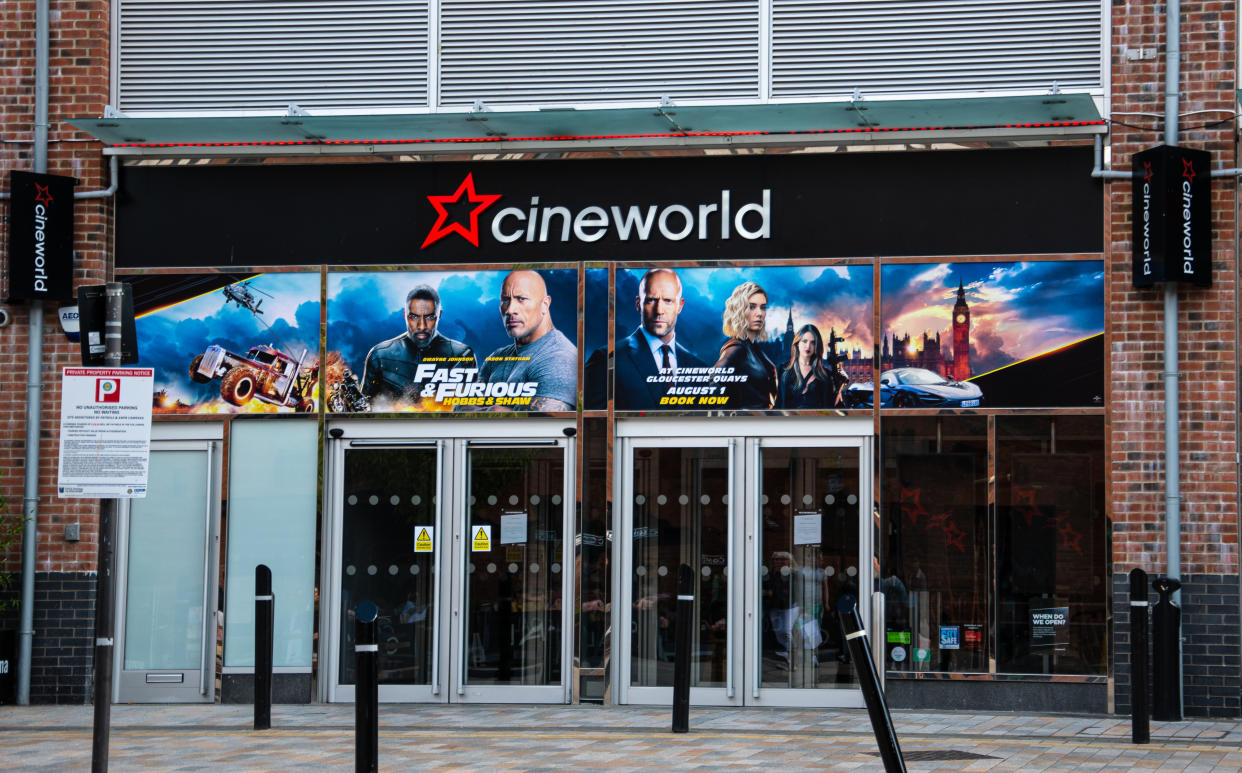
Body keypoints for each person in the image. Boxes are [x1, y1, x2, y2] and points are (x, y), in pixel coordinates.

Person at [361, 285, 476, 407]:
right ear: (405, 314)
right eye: (414, 317)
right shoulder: (380, 355)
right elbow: (363, 410)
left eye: (430, 317)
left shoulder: (461, 355)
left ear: (439, 315)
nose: (422, 326)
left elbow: (467, 411)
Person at [479, 269, 578, 411]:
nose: (510, 310)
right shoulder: (496, 357)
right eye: (505, 300)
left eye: (521, 299)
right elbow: (460, 408)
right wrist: (497, 411)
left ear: (545, 304)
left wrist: (489, 410)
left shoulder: (560, 358)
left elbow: (544, 426)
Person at [612, 268, 707, 409]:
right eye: (651, 300)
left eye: (668, 301)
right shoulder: (609, 358)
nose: (659, 310)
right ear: (638, 304)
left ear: (680, 305)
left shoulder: (699, 367)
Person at [712, 280, 778, 409]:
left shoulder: (755, 349)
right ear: (740, 310)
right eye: (752, 306)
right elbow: (714, 385)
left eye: (763, 307)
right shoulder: (736, 348)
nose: (759, 313)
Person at [778, 324, 834, 409]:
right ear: (797, 343)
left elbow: (828, 410)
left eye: (813, 342)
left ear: (817, 346)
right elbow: (778, 404)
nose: (808, 346)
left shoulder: (825, 375)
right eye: (804, 341)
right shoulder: (783, 370)